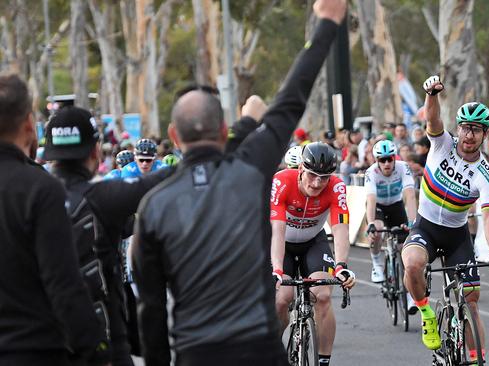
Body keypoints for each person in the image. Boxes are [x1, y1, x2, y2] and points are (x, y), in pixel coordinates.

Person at [131, 2, 348, 365]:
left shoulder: (154, 204)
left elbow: (150, 307)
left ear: (173, 136)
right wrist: (327, 23)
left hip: (196, 351)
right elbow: (291, 98)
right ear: (222, 131)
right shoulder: (251, 170)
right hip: (258, 348)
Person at [43, 106, 176, 366]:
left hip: (38, 344)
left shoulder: (23, 196)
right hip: (105, 347)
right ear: (94, 152)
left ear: (48, 155)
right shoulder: (105, 197)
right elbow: (168, 177)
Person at [0, 74, 108, 365]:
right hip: (33, 349)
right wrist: (96, 350)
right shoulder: (40, 188)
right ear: (27, 125)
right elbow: (64, 284)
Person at [402, 75, 489, 359]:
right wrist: (432, 95)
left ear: (485, 134)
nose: (469, 135)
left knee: (471, 302)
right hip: (426, 227)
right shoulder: (442, 144)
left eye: (476, 130)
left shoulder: (486, 174)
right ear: (458, 129)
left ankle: (476, 360)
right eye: (465, 128)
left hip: (456, 236)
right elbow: (433, 121)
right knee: (412, 265)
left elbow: (488, 216)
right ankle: (425, 312)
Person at [271, 142, 356, 366]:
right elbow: (277, 232)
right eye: (312, 175)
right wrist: (277, 270)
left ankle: (324, 361)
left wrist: (341, 266)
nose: (317, 183)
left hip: (313, 242)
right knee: (282, 299)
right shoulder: (282, 181)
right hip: (284, 244)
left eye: (324, 177)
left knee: (324, 296)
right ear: (300, 169)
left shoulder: (336, 187)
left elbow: (340, 228)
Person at [364, 140, 417, 284]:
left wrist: (413, 222)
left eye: (390, 159)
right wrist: (371, 224)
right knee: (378, 229)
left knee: (403, 245)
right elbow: (371, 199)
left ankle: (407, 287)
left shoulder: (403, 167)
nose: (387, 163)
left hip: (396, 205)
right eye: (382, 160)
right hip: (378, 206)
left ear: (395, 158)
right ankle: (376, 264)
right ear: (377, 161)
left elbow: (410, 196)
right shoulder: (371, 172)